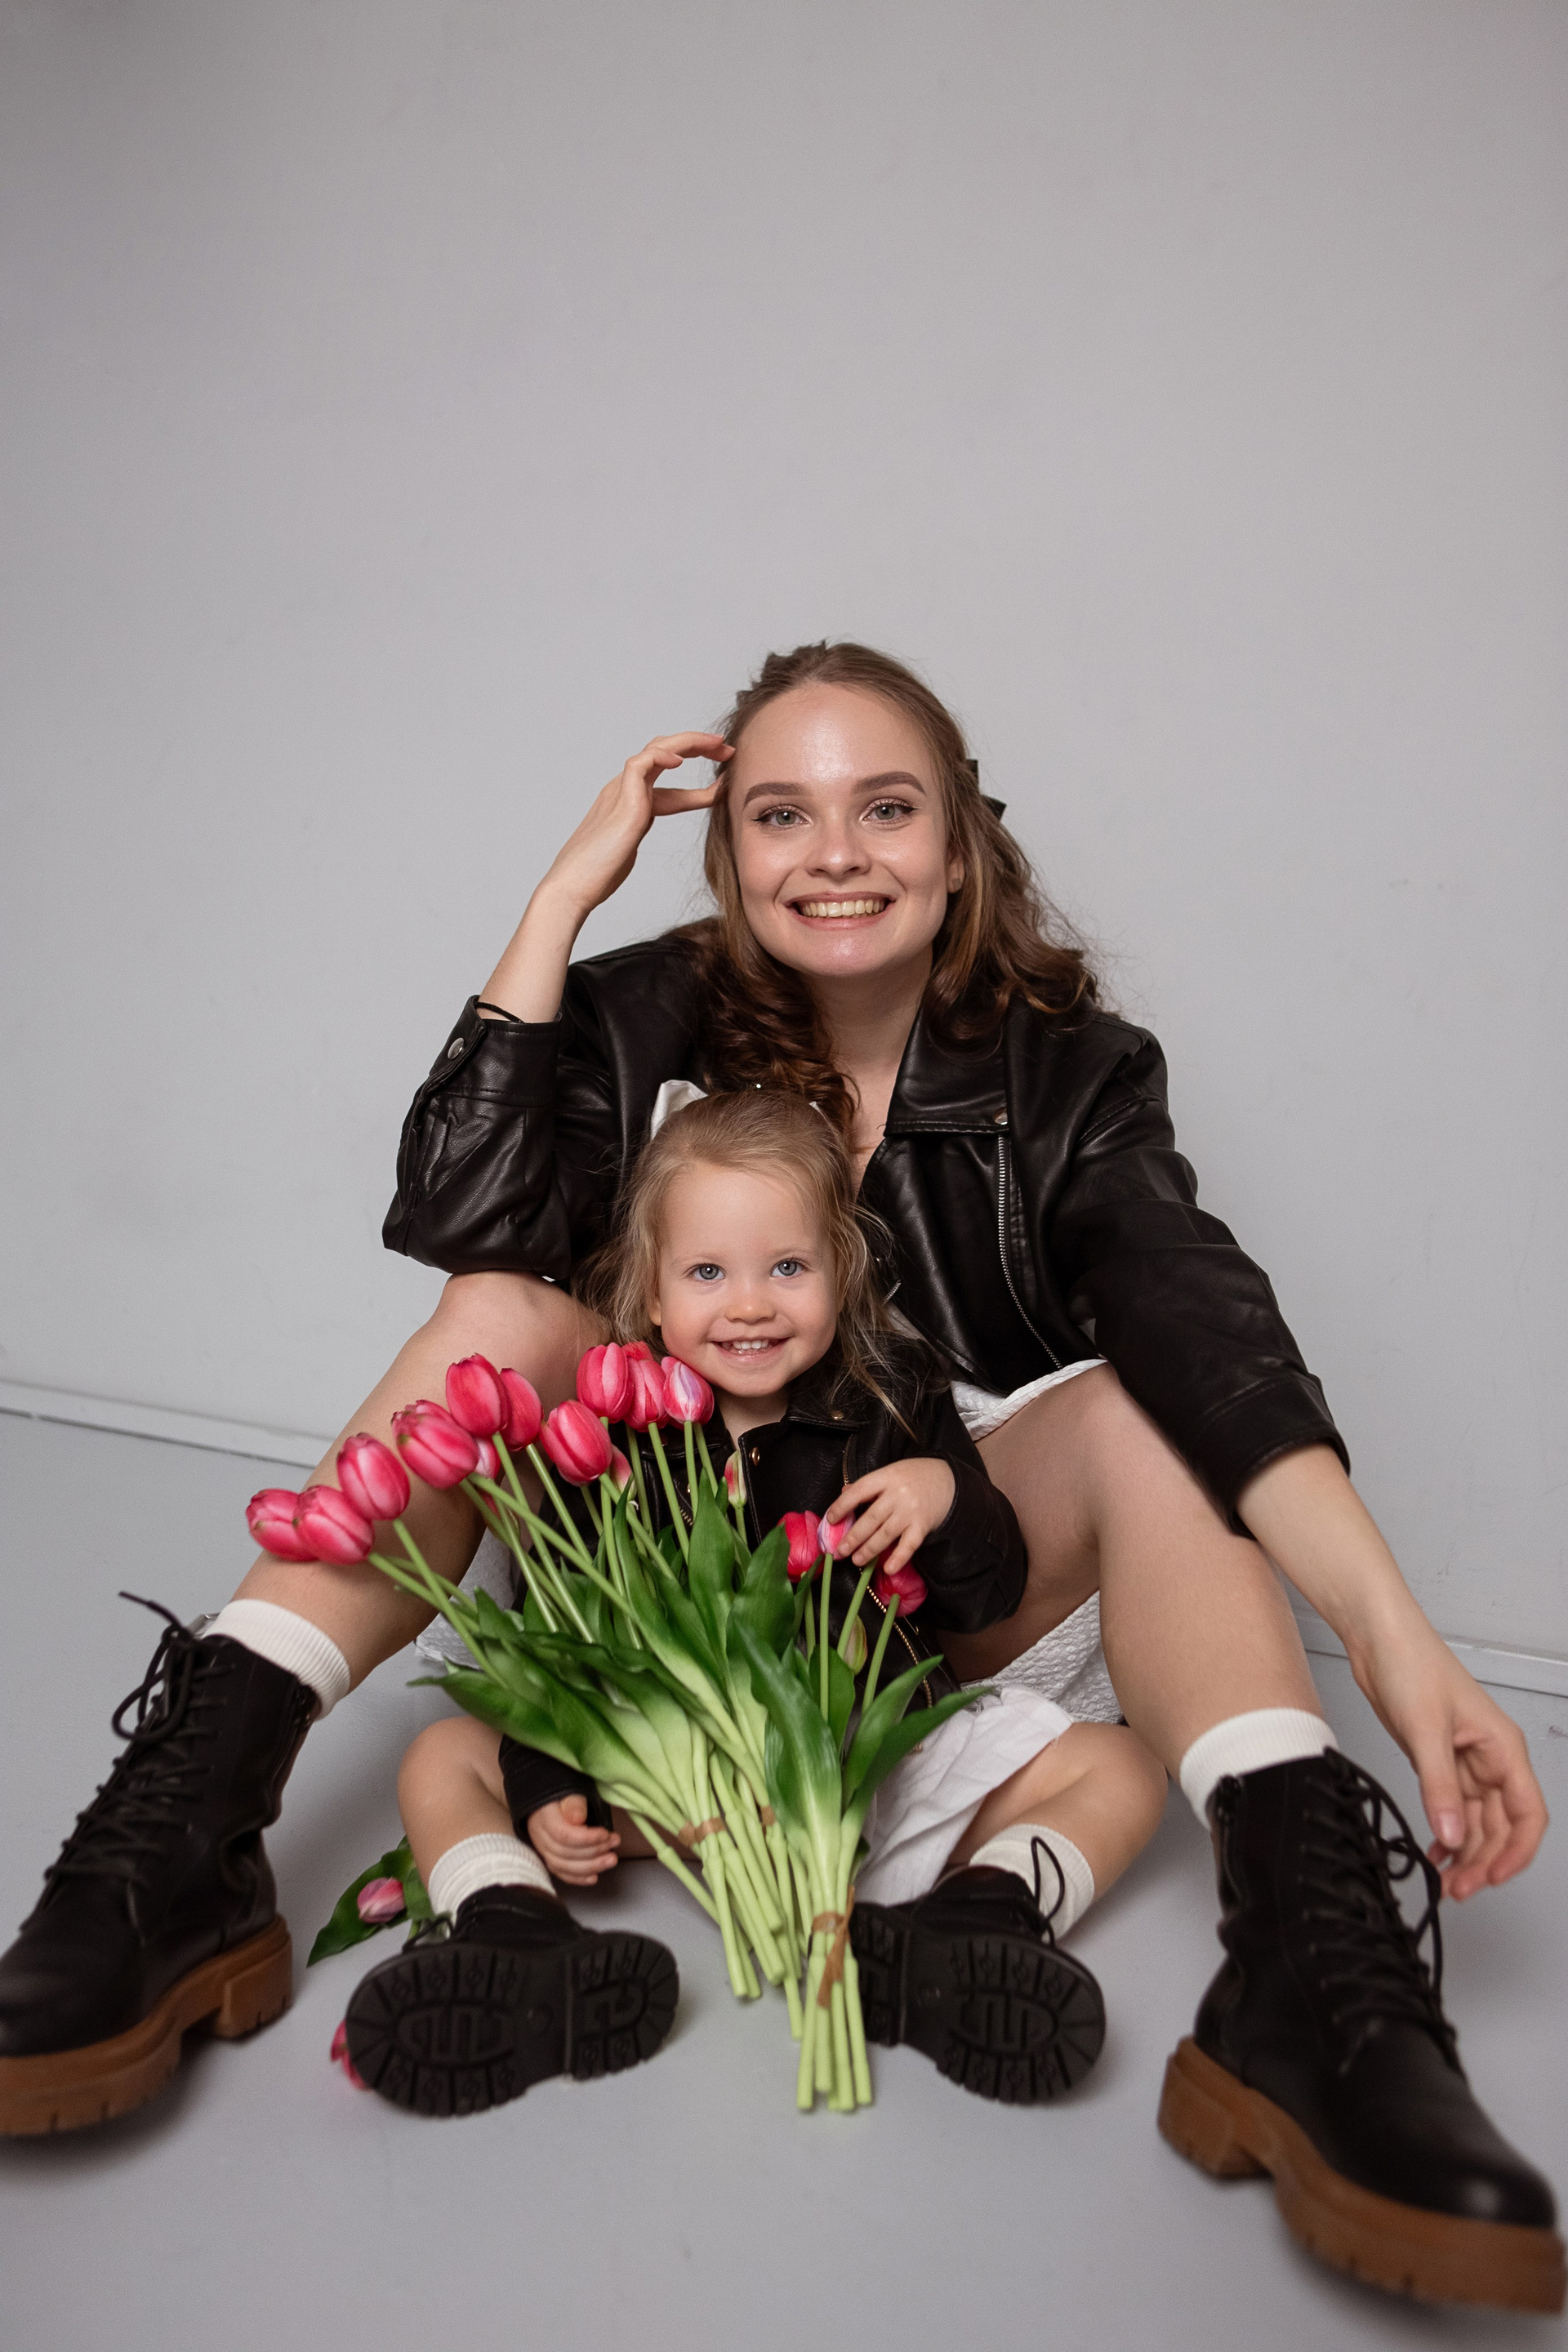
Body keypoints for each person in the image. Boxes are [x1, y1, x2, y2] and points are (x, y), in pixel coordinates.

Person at [0, 642, 1558, 2310]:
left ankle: (1315, 1983)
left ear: (958, 842)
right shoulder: (647, 1012)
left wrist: (1395, 1639)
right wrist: (559, 900)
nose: (835, 854)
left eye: (885, 808)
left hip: (923, 1580)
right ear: (728, 850)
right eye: (779, 814)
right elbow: (463, 1218)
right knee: (504, 1308)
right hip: (665, 1571)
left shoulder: (1074, 1074)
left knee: (1144, 1400)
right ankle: (179, 1846)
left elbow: (1212, 1335)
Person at [343, 1089, 1165, 2118]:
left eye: (787, 1268)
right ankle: (510, 1933)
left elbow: (985, 1599)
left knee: (1121, 1765)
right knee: (442, 1756)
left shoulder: (890, 1397)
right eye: (707, 1273)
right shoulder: (612, 1440)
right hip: (677, 1786)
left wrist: (946, 1497)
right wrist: (552, 1783)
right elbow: (564, 1638)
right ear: (650, 1293)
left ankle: (973, 1928)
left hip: (856, 1778)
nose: (750, 1306)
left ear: (840, 1272)